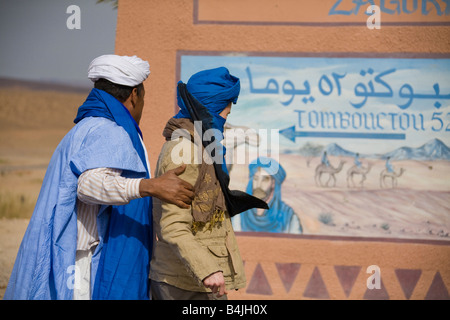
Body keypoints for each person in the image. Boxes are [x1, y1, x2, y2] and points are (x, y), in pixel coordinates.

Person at [4, 54, 194, 300]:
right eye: (144, 97)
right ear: (134, 94)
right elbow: (88, 186)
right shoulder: (108, 129)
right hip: (80, 262)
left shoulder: (88, 124)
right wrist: (150, 186)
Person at [150, 67, 266, 300]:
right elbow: (173, 224)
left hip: (198, 280)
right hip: (186, 282)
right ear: (210, 109)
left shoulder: (202, 146)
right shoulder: (184, 151)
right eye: (225, 113)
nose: (225, 119)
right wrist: (208, 269)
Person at [232, 157, 303, 234]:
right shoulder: (239, 214)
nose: (258, 185)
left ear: (273, 183)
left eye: (265, 180)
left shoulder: (288, 216)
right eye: (256, 179)